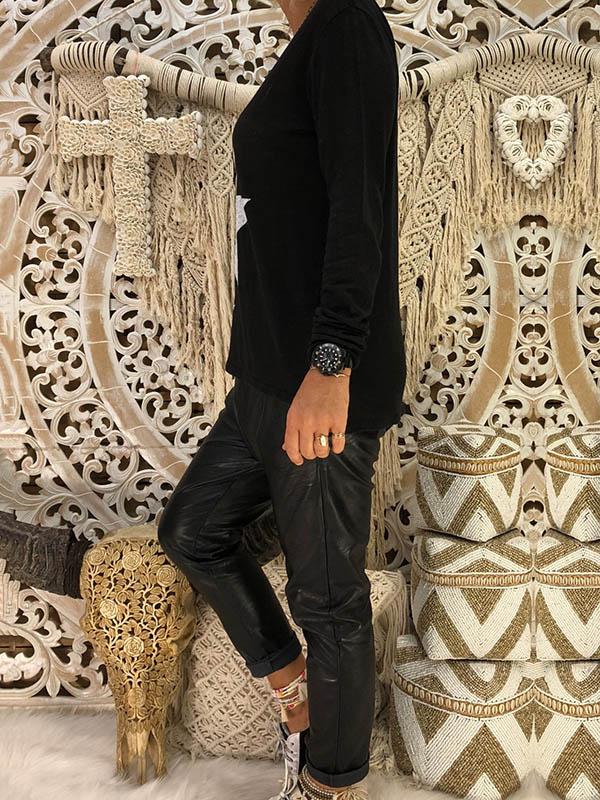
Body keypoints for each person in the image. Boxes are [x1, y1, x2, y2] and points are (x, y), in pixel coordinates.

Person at [157, 0, 406, 796]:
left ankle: (332, 784)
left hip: (318, 382)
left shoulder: (347, 24)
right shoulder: (309, 43)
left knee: (328, 600)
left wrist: (332, 364)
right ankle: (294, 694)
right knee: (193, 530)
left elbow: (361, 210)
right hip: (265, 381)